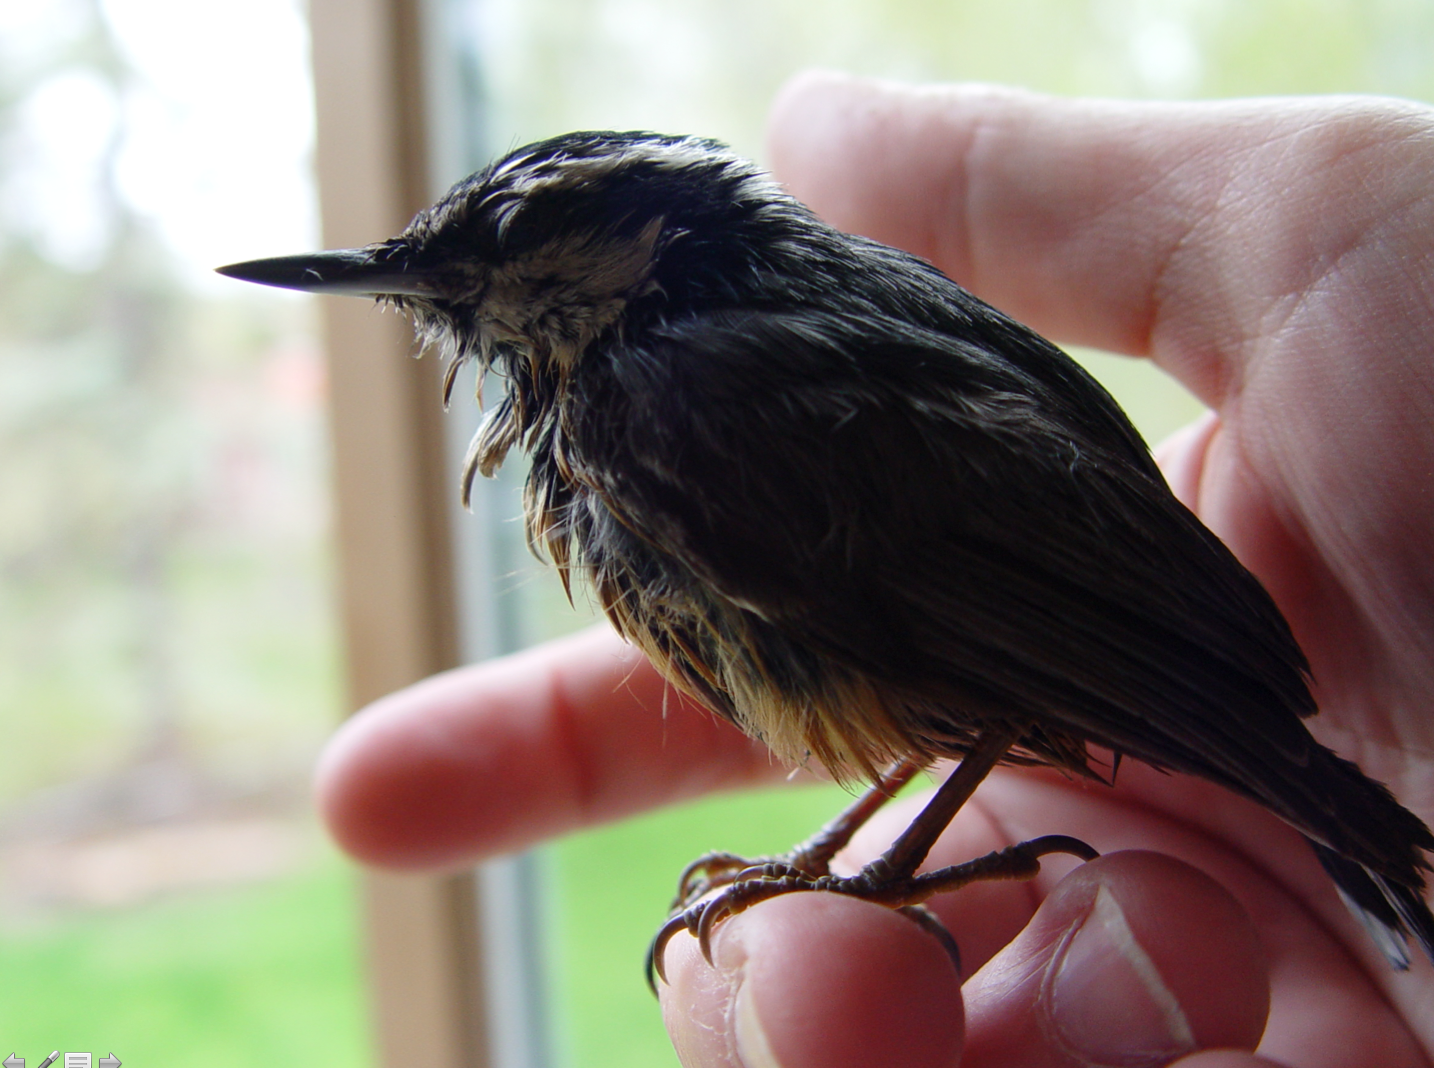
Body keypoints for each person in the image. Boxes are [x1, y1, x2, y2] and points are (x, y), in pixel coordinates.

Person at [314, 72, 1434, 1067]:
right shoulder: (653, 375)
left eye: (513, 238)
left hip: (1106, 628)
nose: (466, 285)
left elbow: (952, 632)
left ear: (653, 229)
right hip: (1121, 626)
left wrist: (1289, 771)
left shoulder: (653, 395)